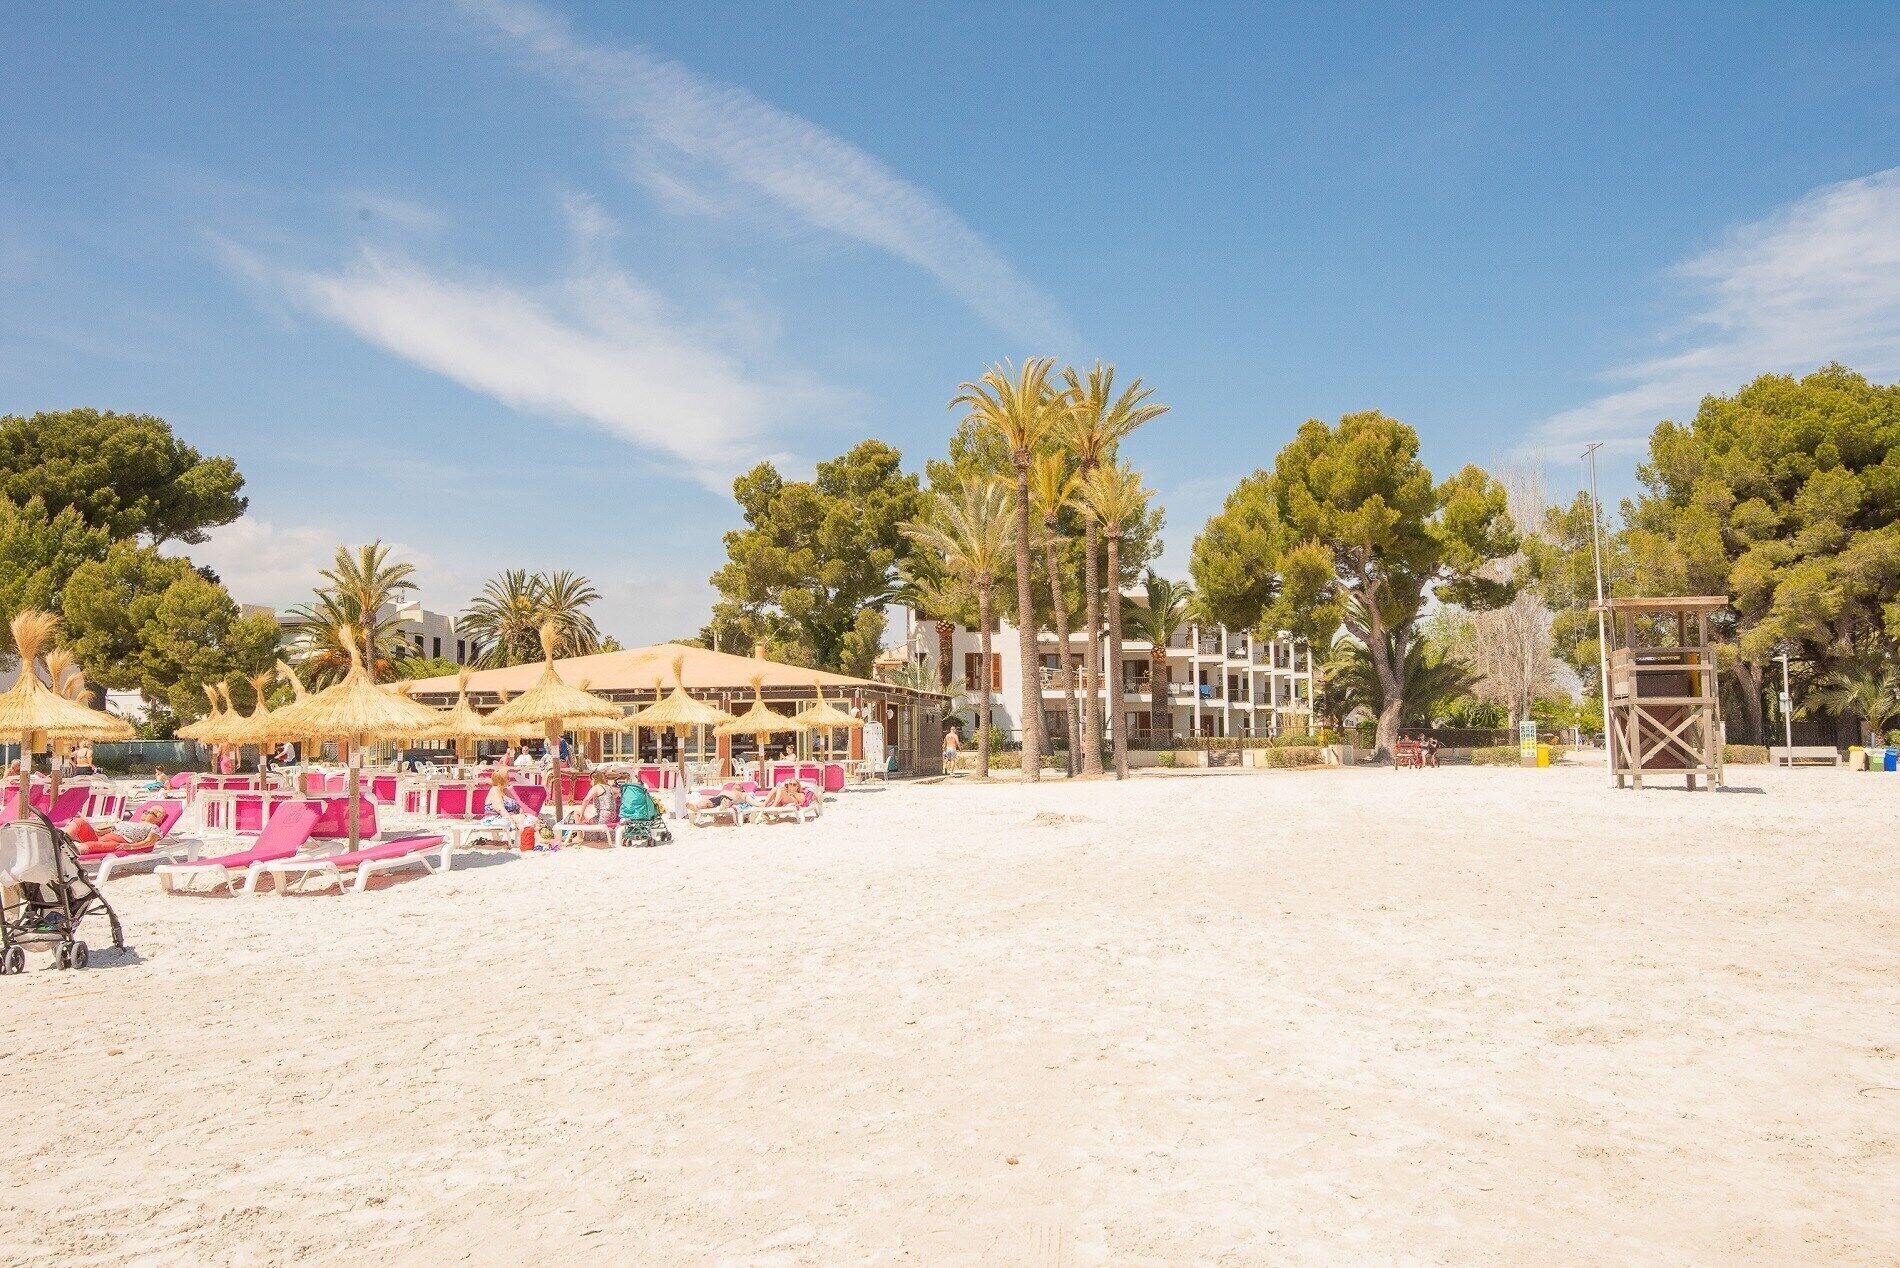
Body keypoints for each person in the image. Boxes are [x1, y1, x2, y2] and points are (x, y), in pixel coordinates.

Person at [69, 804, 169, 853]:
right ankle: (61, 837)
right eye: (145, 811)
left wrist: (129, 847)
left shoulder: (153, 827)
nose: (145, 812)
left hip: (116, 844)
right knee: (80, 822)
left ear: (158, 819)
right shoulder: (132, 823)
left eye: (150, 812)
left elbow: (149, 842)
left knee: (89, 846)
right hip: (100, 836)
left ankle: (70, 851)